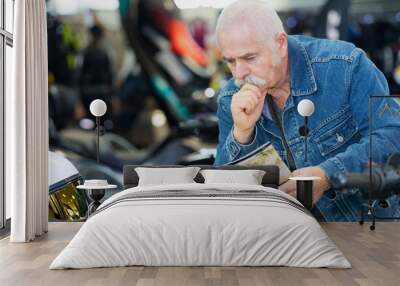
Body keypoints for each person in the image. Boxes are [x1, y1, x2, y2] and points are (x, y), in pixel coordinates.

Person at [213, 0, 400, 221]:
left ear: (280, 43)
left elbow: (392, 135)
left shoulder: (345, 65)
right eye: (231, 61)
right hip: (291, 238)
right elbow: (222, 191)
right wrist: (241, 134)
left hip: (367, 226)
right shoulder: (230, 98)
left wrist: (328, 174)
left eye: (249, 58)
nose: (239, 74)